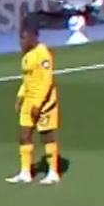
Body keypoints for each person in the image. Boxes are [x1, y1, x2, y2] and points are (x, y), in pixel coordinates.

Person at [10, 22, 62, 185]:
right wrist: (20, 97)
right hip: (29, 101)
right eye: (20, 38)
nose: (21, 42)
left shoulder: (43, 54)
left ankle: (53, 172)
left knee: (47, 136)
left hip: (44, 103)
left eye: (24, 38)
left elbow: (46, 81)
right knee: (24, 135)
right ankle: (25, 173)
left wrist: (38, 104)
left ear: (33, 37)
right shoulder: (26, 55)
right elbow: (27, 80)